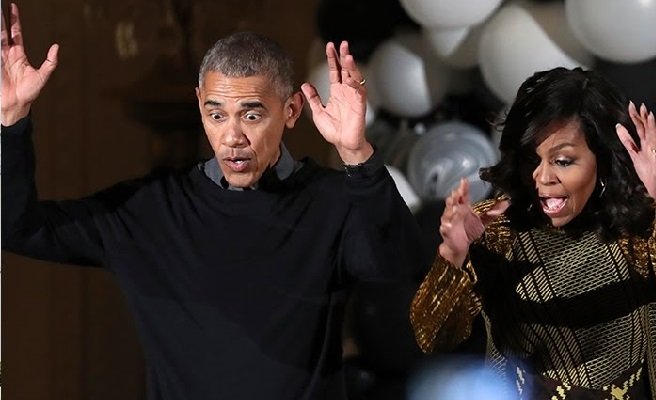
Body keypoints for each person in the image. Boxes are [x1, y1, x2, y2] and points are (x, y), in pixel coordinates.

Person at [1, 4, 426, 399]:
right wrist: (11, 123)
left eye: (252, 114)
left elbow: (399, 267)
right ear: (200, 108)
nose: (232, 136)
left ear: (292, 110)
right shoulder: (151, 210)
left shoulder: (331, 200)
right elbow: (17, 228)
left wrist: (357, 155)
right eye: (217, 114)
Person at [409, 66, 656, 399]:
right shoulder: (494, 229)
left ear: (601, 161)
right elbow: (432, 337)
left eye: (562, 160)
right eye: (532, 159)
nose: (541, 177)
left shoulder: (641, 226)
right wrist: (454, 255)